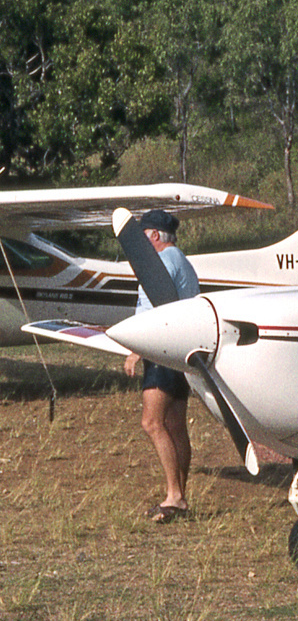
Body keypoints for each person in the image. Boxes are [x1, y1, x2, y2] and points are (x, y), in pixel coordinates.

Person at [123, 209, 199, 523]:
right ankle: (178, 497)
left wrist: (136, 349)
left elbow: (160, 305)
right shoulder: (181, 259)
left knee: (152, 423)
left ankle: (175, 496)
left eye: (143, 235)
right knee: (175, 426)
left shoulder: (164, 261)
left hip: (161, 348)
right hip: (180, 350)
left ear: (155, 236)